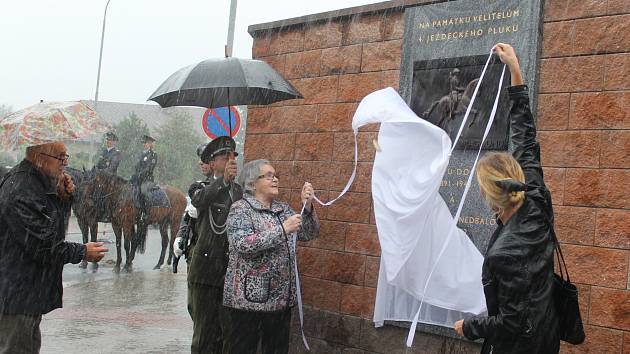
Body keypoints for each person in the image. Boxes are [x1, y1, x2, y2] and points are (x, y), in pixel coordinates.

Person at [453, 43, 560, 354]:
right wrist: (515, 70)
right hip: (547, 335)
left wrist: (469, 327)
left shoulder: (506, 253)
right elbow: (525, 136)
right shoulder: (535, 198)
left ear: (490, 196)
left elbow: (511, 322)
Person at [0, 141, 107, 354]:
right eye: (61, 158)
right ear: (39, 156)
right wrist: (82, 252)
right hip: (16, 294)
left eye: (66, 158)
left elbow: (52, 230)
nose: (65, 163)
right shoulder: (22, 188)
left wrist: (63, 198)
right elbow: (43, 245)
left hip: (26, 293)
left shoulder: (36, 183)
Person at [221, 159, 319, 354]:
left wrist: (307, 207)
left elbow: (309, 234)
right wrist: (282, 229)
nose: (275, 180)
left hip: (280, 303)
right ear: (252, 183)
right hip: (247, 304)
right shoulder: (240, 209)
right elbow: (243, 244)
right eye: (268, 176)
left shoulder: (282, 210)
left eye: (275, 176)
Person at [187, 136, 242, 354]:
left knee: (227, 334)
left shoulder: (240, 192)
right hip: (206, 272)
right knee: (204, 334)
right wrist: (223, 181)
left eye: (233, 156)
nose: (231, 160)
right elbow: (200, 201)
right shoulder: (199, 187)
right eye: (224, 157)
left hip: (230, 273)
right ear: (212, 163)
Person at [131, 134, 158, 223]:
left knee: (143, 191)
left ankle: (145, 212)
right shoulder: (140, 154)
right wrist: (134, 175)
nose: (144, 144)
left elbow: (149, 168)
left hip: (147, 179)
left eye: (146, 143)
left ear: (150, 144)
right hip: (138, 179)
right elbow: (136, 166)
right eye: (144, 143)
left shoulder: (153, 155)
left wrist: (140, 175)